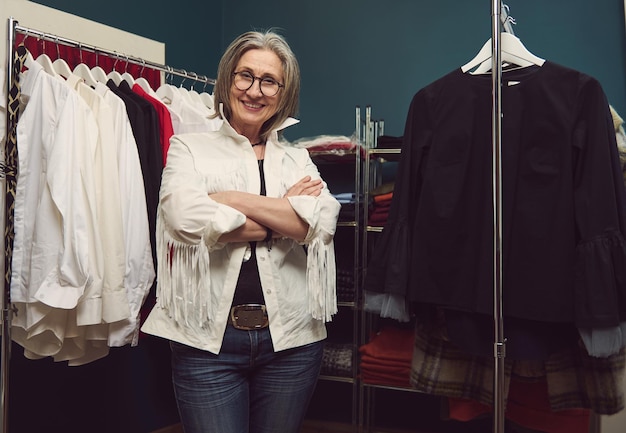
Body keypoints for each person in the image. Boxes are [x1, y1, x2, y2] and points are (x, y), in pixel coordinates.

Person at [141, 29, 341, 433]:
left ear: (283, 92)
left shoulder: (297, 158)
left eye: (269, 81)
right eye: (244, 76)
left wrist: (232, 198)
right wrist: (283, 215)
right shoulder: (188, 147)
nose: (255, 90)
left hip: (292, 339)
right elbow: (184, 216)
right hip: (206, 344)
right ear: (227, 79)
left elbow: (321, 222)